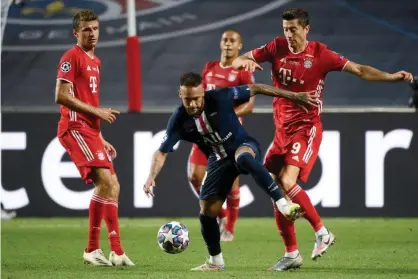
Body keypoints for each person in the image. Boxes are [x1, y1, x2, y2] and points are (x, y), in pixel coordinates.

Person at [232, 8, 414, 271]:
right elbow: (238, 61)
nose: (289, 34)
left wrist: (392, 77)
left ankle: (322, 232)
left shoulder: (320, 54)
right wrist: (245, 62)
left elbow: (360, 70)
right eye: (285, 29)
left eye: (294, 29)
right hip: (282, 130)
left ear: (306, 29)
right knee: (277, 192)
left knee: (286, 180)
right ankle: (292, 253)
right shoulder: (276, 47)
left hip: (306, 128)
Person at [143, 72, 317, 271]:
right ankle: (215, 262)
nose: (192, 104)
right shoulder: (178, 120)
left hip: (243, 145)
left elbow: (257, 88)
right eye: (187, 100)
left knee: (243, 158)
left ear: (203, 92)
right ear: (179, 95)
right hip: (219, 160)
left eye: (196, 99)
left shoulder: (221, 97)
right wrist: (150, 176)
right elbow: (161, 152)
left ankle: (283, 204)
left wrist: (294, 96)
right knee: (207, 212)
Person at [55, 10, 134, 267]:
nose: (92, 34)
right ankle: (99, 249)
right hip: (74, 128)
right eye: (87, 29)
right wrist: (98, 113)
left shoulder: (95, 61)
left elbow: (89, 100)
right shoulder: (71, 57)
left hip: (90, 131)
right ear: (76, 32)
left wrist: (100, 136)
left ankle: (112, 252)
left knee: (114, 185)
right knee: (105, 183)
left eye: (95, 28)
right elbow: (61, 96)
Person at [189, 30, 255, 241]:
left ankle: (230, 227)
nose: (227, 44)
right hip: (205, 132)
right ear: (220, 43)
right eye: (225, 40)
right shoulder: (209, 67)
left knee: (231, 183)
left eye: (232, 40)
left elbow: (250, 104)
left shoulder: (243, 72)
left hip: (228, 135)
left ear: (239, 46)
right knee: (195, 177)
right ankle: (222, 215)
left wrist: (226, 116)